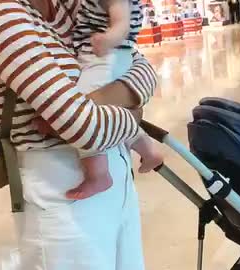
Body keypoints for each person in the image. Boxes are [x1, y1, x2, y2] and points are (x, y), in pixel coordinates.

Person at [0, 0, 157, 269]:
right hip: (63, 194)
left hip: (116, 174)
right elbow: (84, 129)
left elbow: (143, 69)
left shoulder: (67, 4)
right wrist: (131, 114)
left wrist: (90, 107)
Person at [34, 0, 163, 200]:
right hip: (103, 58)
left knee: (82, 106)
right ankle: (147, 149)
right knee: (94, 112)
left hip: (103, 58)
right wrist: (129, 110)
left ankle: (98, 175)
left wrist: (108, 40)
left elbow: (123, 24)